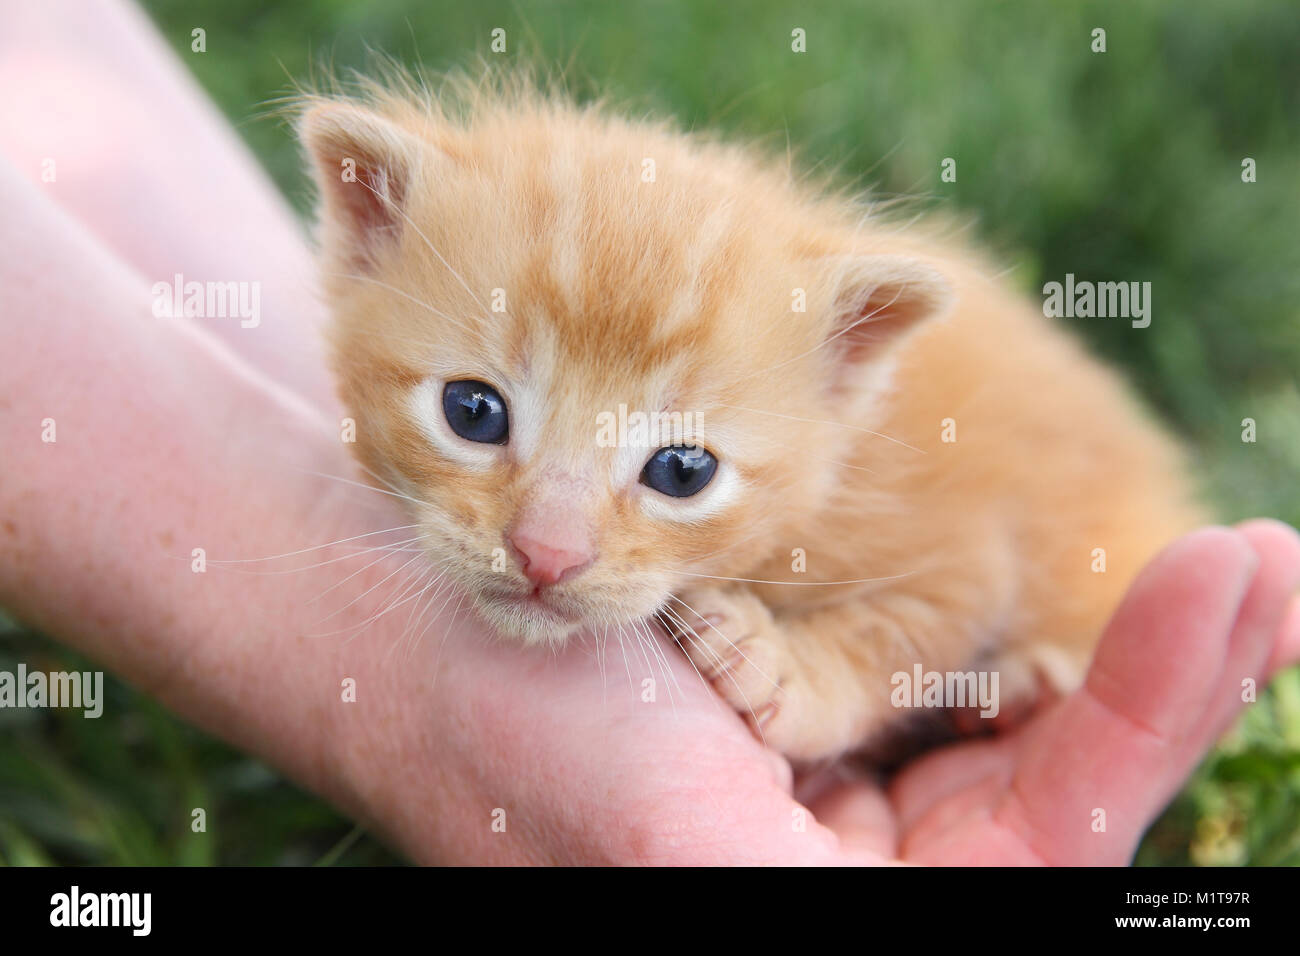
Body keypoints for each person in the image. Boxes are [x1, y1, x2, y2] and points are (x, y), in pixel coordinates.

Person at [1, 0, 1298, 865]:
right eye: (477, 415)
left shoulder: (844, 447)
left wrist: (833, 679)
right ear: (364, 229)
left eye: (674, 472)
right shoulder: (429, 283)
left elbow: (968, 569)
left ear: (847, 374)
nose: (550, 545)